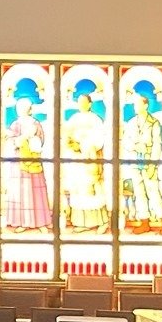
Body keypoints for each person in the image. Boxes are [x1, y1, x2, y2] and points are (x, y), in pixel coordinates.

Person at [62, 89, 111, 234]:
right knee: (78, 192)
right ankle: (83, 223)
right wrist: (73, 145)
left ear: (90, 104)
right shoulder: (74, 119)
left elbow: (99, 140)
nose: (82, 104)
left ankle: (102, 222)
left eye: (84, 102)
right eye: (79, 102)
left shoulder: (95, 119)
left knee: (92, 191)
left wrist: (84, 144)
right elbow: (67, 136)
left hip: (90, 160)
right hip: (77, 161)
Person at [122, 91, 162, 234]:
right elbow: (126, 142)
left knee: (153, 192)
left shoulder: (154, 123)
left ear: (145, 105)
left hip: (149, 161)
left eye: (137, 104)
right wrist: (135, 146)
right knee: (139, 193)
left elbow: (157, 145)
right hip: (135, 161)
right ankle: (144, 223)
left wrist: (152, 165)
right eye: (134, 104)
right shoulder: (131, 123)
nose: (135, 107)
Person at [0, 103, 51, 233]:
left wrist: (31, 141)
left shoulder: (35, 123)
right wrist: (17, 142)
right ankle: (22, 221)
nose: (21, 110)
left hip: (33, 161)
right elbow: (10, 141)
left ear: (30, 109)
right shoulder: (15, 124)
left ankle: (40, 222)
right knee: (20, 191)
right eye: (19, 108)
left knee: (36, 190)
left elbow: (40, 140)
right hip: (18, 162)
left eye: (24, 107)